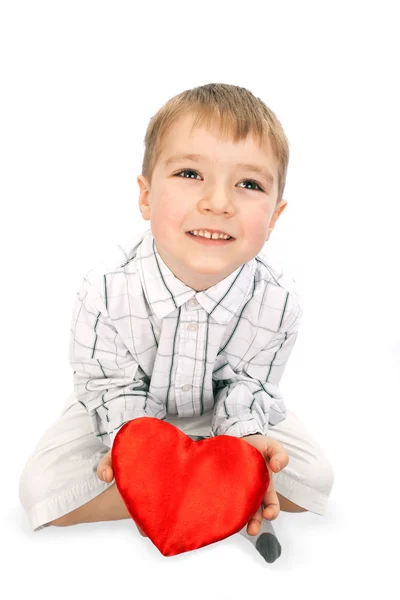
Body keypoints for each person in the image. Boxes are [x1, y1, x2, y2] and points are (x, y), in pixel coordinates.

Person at [18, 83, 334, 564]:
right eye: (190, 173)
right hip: (122, 411)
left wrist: (246, 444)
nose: (218, 202)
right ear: (146, 197)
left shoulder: (279, 301)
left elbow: (248, 385)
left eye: (249, 185)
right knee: (40, 488)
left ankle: (214, 486)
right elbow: (109, 385)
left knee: (314, 478)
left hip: (223, 410)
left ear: (274, 217)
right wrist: (135, 456)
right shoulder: (106, 290)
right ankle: (182, 500)